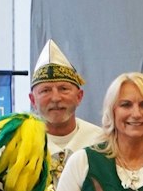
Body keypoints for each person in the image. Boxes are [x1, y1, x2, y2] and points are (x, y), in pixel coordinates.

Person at [29, 40, 104, 176]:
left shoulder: (102, 144)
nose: (56, 98)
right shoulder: (17, 145)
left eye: (63, 89)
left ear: (79, 96)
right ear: (33, 100)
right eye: (45, 90)